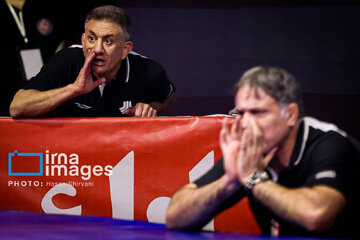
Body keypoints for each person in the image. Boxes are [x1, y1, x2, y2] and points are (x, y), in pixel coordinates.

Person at [166, 66, 360, 238]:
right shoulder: (250, 152)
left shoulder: (330, 143)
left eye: (258, 112)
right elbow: (175, 216)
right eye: (241, 113)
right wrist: (229, 182)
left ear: (291, 115)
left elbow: (316, 215)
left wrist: (253, 178)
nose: (246, 123)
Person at [9, 5, 175, 118]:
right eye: (91, 38)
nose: (97, 49)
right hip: (68, 157)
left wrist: (150, 108)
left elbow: (168, 95)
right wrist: (73, 90)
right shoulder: (66, 60)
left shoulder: (149, 70)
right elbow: (17, 108)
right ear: (83, 40)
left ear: (125, 49)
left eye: (108, 41)